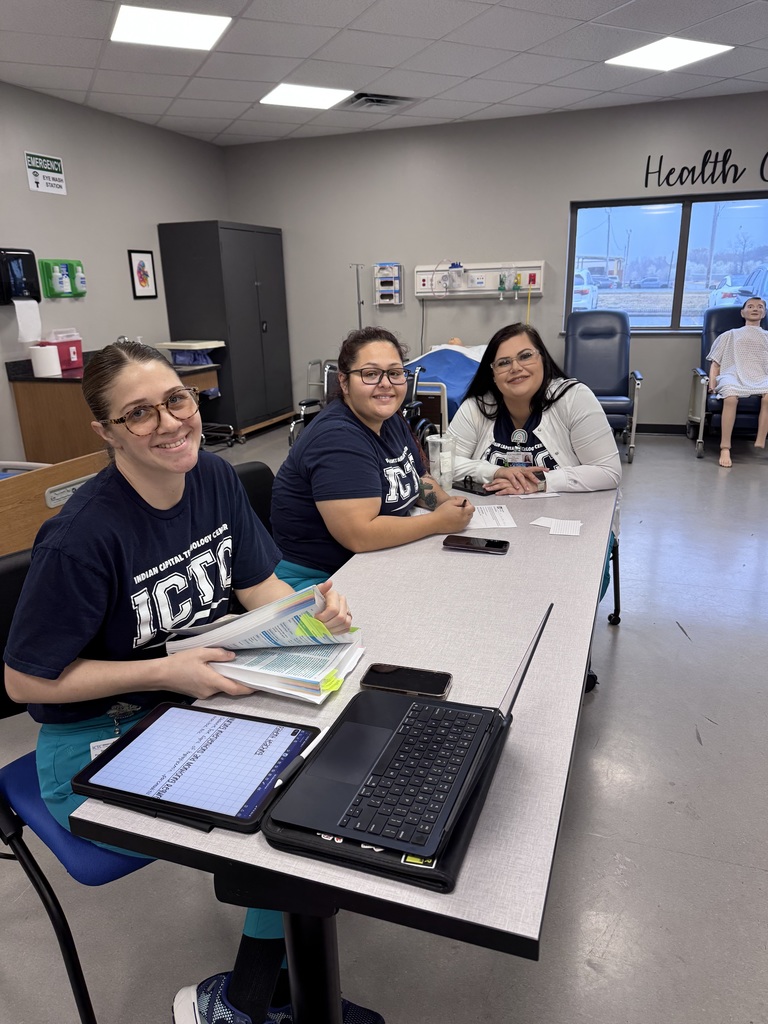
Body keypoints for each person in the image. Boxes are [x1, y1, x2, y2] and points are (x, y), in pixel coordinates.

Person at [3, 341, 381, 1024]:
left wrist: (311, 614)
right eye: (138, 414)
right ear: (106, 431)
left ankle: (277, 991)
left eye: (177, 400)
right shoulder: (84, 536)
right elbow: (24, 682)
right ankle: (241, 1003)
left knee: (334, 764)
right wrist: (165, 670)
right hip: (97, 740)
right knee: (281, 821)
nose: (169, 422)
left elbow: (258, 585)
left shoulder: (211, 477)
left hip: (190, 702)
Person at [447, 322, 621, 692]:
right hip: (497, 521)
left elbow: (608, 472)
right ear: (491, 374)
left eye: (525, 356)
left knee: (572, 579)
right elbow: (444, 464)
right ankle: (490, 648)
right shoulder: (478, 407)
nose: (516, 368)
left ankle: (568, 653)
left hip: (570, 524)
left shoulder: (573, 398)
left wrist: (541, 480)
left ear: (542, 359)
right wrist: (496, 470)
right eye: (503, 362)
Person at [270, 326, 475, 587]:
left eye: (394, 373)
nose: (386, 384)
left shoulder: (390, 419)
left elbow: (418, 479)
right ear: (344, 382)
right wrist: (437, 522)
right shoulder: (338, 438)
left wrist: (446, 503)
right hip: (318, 579)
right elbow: (360, 534)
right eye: (370, 374)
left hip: (367, 560)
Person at [706, 295, 768, 468]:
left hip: (760, 375)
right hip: (731, 374)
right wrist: (712, 386)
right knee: (731, 397)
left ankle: (761, 439)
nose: (755, 309)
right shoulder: (730, 335)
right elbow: (715, 364)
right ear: (743, 312)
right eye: (750, 306)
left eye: (760, 307)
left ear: (764, 313)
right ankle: (725, 447)